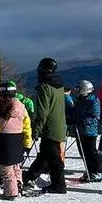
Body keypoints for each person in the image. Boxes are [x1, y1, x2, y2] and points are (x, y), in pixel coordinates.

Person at [0, 81, 33, 200]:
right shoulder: (21, 106)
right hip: (18, 138)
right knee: (16, 165)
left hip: (2, 139)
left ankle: (11, 193)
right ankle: (18, 186)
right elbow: (27, 126)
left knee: (6, 168)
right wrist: (27, 142)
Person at [24, 58, 67, 194]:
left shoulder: (45, 86)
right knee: (45, 155)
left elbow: (43, 112)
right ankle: (29, 176)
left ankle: (59, 185)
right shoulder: (59, 85)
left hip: (49, 127)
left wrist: (36, 130)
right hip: (59, 125)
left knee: (54, 159)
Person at [72, 80, 102, 182]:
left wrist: (81, 119)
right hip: (81, 129)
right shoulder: (80, 99)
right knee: (83, 152)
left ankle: (99, 172)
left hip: (89, 131)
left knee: (91, 152)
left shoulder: (93, 100)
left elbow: (95, 114)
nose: (76, 91)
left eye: (78, 88)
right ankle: (90, 170)